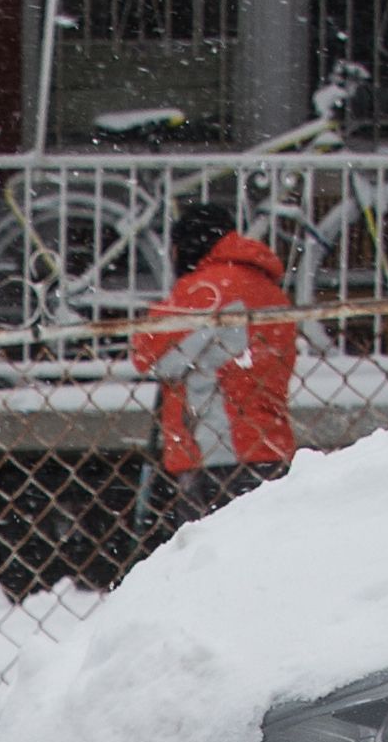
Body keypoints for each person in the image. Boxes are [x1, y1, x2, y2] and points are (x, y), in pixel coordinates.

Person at [128, 198, 298, 516]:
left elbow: (149, 352)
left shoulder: (209, 287)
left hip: (218, 450)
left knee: (210, 554)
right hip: (270, 444)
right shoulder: (267, 289)